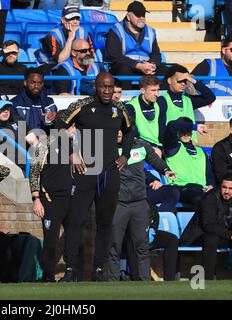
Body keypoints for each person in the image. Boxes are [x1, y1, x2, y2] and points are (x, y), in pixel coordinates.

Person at [55, 71, 134, 282]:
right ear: (95, 87)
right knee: (75, 221)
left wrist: (125, 154)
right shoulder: (81, 105)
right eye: (103, 87)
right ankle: (71, 269)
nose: (107, 91)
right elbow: (58, 125)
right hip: (85, 173)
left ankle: (99, 270)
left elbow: (130, 132)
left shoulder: (120, 109)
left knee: (105, 223)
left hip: (109, 174)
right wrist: (72, 152)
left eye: (110, 87)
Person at [108, 134, 178, 281]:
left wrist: (166, 170)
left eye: (123, 129)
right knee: (114, 245)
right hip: (118, 204)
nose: (119, 132)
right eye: (117, 129)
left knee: (142, 246)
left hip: (140, 204)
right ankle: (112, 283)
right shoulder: (107, 147)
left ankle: (144, 282)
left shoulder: (142, 146)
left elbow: (155, 160)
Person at [181, 175, 232, 280]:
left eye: (230, 188)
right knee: (211, 238)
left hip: (226, 235)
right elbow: (209, 226)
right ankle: (208, 279)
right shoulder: (209, 198)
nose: (226, 191)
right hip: (200, 235)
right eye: (224, 187)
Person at [29, 126, 74, 282]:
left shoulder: (74, 144)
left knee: (74, 238)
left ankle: (72, 274)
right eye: (71, 127)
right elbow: (34, 173)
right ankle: (48, 276)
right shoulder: (44, 145)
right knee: (51, 240)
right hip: (50, 200)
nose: (74, 130)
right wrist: (36, 199)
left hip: (71, 198)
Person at [106, 1, 165, 90]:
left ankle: (161, 99)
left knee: (165, 70)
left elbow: (156, 54)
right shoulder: (116, 30)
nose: (142, 18)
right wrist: (137, 65)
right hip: (125, 65)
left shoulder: (150, 31)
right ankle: (125, 99)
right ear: (129, 16)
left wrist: (152, 65)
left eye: (143, 15)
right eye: (138, 15)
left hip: (146, 66)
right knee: (124, 69)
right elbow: (115, 56)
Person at [158, 64, 216, 144]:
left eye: (185, 81)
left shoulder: (188, 100)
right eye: (179, 81)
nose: (183, 84)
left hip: (191, 145)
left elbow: (210, 97)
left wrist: (192, 80)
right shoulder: (162, 100)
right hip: (172, 146)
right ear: (169, 81)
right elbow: (161, 128)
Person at [164, 118, 214, 210]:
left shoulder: (201, 151)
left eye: (189, 131)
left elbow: (209, 174)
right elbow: (171, 125)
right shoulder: (173, 147)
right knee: (201, 199)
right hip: (181, 188)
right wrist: (194, 126)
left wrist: (211, 185)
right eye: (183, 131)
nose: (186, 134)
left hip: (201, 189)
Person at [125, 76, 163, 155]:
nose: (157, 94)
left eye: (158, 90)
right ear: (142, 90)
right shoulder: (131, 107)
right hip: (140, 144)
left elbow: (162, 128)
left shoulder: (158, 104)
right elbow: (133, 133)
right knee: (157, 152)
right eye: (153, 90)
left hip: (158, 144)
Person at [11, 67, 58, 132]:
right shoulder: (15, 103)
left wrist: (56, 118)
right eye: (33, 82)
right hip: (23, 140)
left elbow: (54, 128)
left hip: (46, 140)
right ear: (25, 83)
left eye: (40, 83)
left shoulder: (49, 103)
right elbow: (13, 128)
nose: (36, 86)